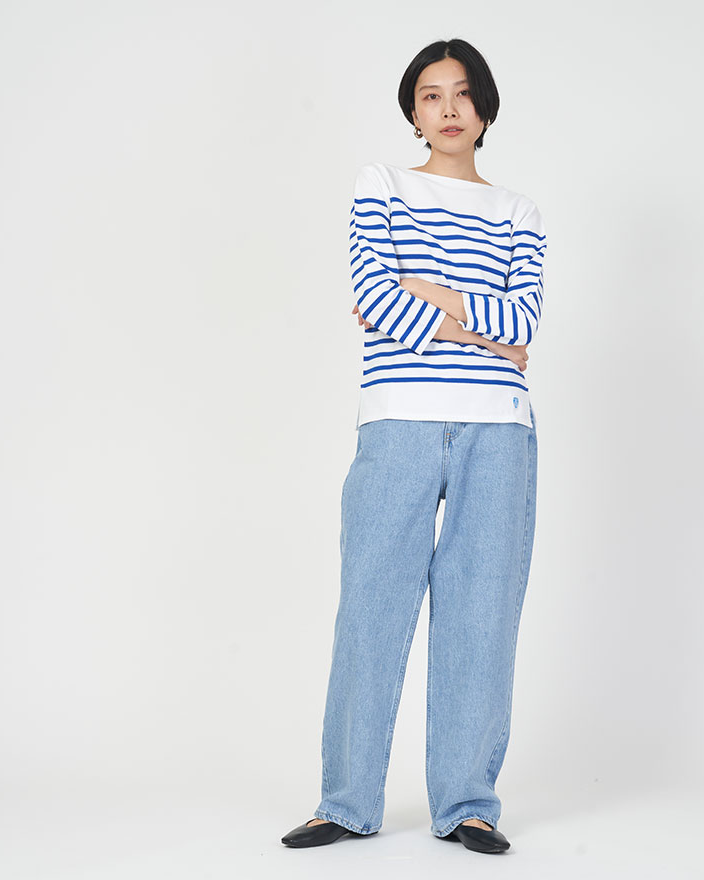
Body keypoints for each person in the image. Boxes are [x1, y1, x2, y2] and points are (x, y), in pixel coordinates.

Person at [281, 37, 547, 856]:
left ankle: (468, 805)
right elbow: (372, 291)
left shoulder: (519, 212)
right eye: (432, 95)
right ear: (414, 112)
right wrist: (481, 329)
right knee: (371, 605)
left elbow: (526, 321)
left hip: (499, 429)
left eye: (463, 93)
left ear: (486, 109)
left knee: (481, 617)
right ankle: (346, 800)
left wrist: (432, 294)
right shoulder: (383, 185)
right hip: (397, 418)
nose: (449, 108)